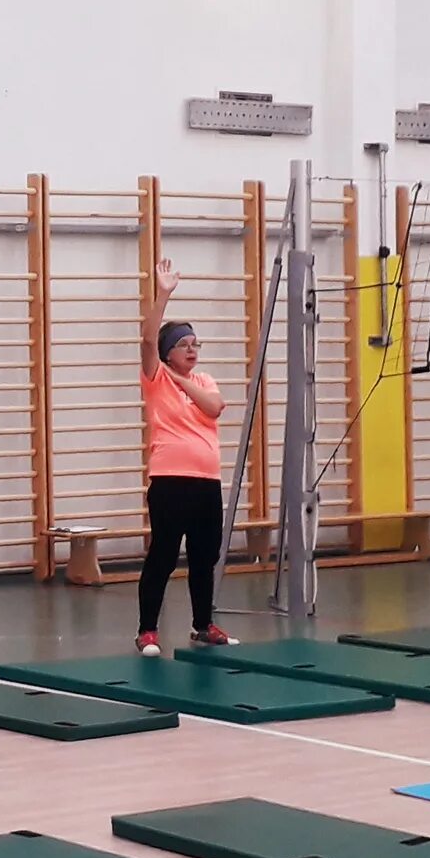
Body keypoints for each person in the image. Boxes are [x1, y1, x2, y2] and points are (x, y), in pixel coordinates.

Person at [135, 258, 233, 656]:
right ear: (167, 352)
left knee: (203, 557)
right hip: (170, 481)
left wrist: (182, 379)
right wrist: (164, 293)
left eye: (196, 344)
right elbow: (145, 342)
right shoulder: (155, 379)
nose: (192, 350)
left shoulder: (202, 380)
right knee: (163, 554)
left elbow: (215, 407)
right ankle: (147, 630)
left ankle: (202, 624)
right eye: (184, 345)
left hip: (207, 483)